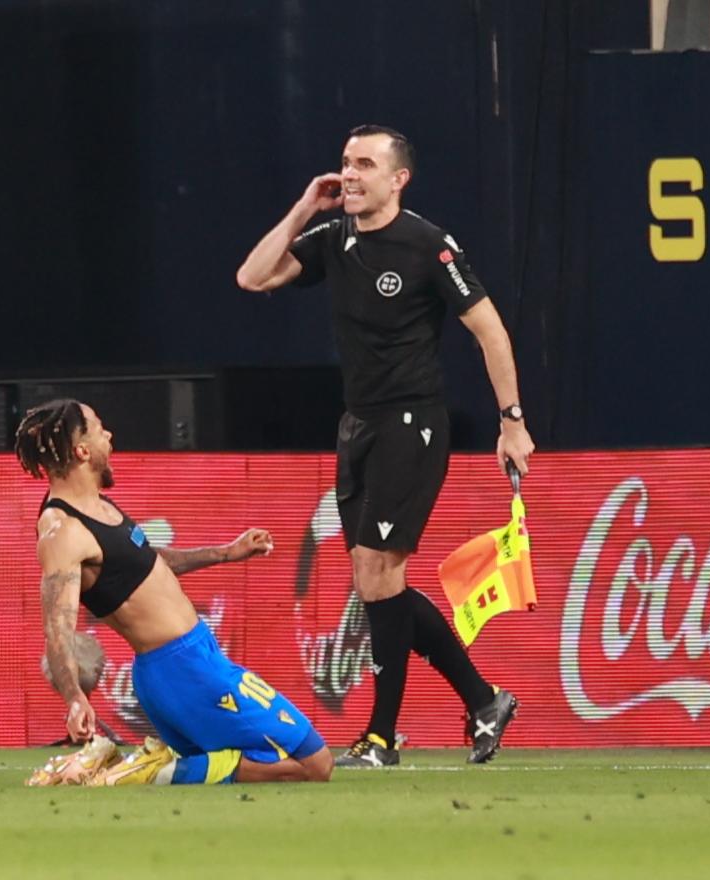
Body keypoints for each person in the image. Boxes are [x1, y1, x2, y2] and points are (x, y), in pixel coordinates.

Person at [236, 124, 536, 767]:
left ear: (399, 179)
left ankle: (380, 736)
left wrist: (511, 421)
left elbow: (491, 332)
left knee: (379, 573)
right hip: (358, 425)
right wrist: (302, 208)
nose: (350, 174)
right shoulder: (333, 239)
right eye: (346, 162)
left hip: (412, 424)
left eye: (365, 164)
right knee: (376, 582)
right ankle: (483, 699)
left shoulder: (428, 245)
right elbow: (252, 277)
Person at [15, 399, 333, 785]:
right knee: (315, 764)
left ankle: (129, 767)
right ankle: (141, 770)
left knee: (225, 769)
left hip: (190, 660)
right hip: (182, 670)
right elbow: (57, 629)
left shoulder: (96, 507)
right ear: (82, 450)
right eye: (99, 429)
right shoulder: (62, 529)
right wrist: (75, 699)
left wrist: (225, 553)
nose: (109, 435)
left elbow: (146, 563)